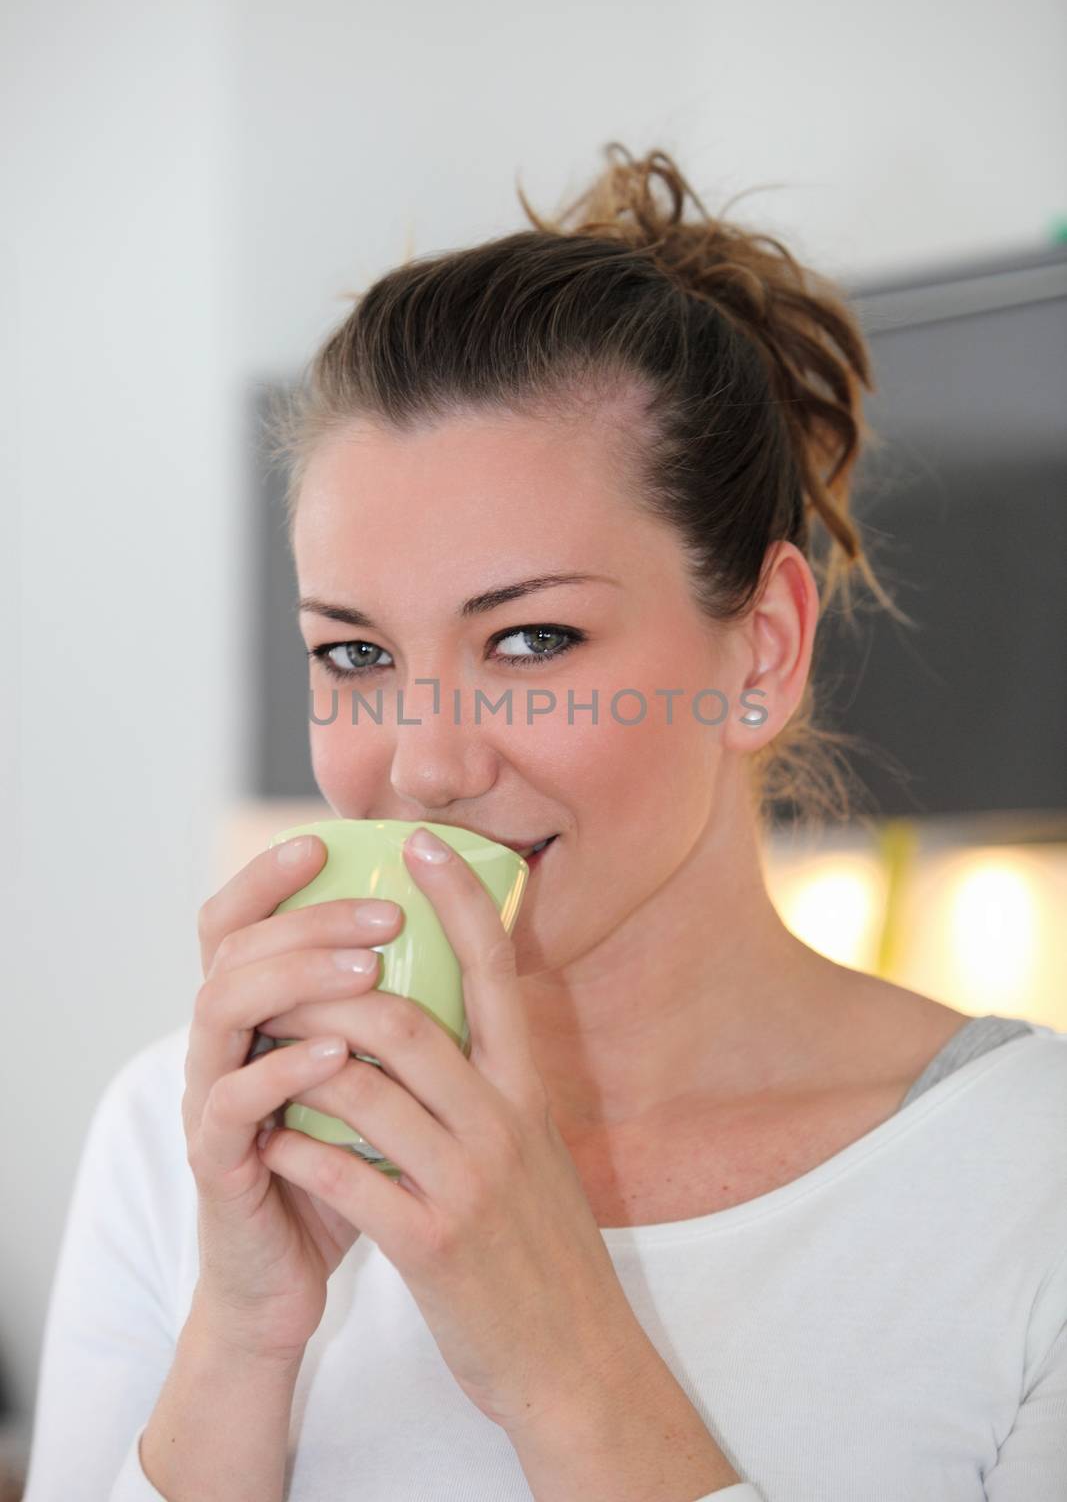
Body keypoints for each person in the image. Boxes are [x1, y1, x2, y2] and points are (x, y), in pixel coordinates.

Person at [23, 144, 1066, 1501]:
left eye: (530, 640)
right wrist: (242, 1336)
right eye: (353, 656)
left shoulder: (1031, 1186)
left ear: (762, 651)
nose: (426, 762)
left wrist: (563, 1362)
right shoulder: (193, 1145)